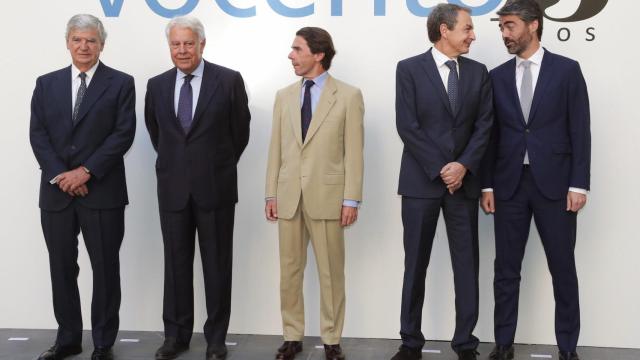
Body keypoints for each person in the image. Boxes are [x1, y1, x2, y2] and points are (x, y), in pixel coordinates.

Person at [481, 1, 591, 360]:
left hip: (557, 188)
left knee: (563, 269)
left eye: (510, 26)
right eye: (502, 28)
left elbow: (580, 130)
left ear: (533, 25)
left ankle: (568, 348)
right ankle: (503, 345)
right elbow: (490, 136)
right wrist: (487, 185)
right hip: (509, 185)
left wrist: (579, 184)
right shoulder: (495, 76)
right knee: (505, 271)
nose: (504, 34)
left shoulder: (567, 71)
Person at [29, 13, 136, 360]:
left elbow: (123, 133)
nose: (84, 46)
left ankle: (103, 342)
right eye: (78, 39)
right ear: (68, 43)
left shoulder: (121, 83)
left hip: (102, 192)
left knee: (105, 268)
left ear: (102, 44)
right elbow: (38, 135)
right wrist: (64, 175)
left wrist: (86, 171)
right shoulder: (46, 84)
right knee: (61, 267)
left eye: (91, 40)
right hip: (57, 194)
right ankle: (68, 339)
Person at [144, 15, 250, 360]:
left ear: (202, 44)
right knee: (175, 266)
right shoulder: (156, 85)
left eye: (189, 43)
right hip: (173, 189)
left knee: (217, 265)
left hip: (215, 188)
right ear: (169, 47)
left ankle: (216, 339)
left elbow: (240, 133)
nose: (182, 50)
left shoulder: (229, 80)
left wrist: (213, 164)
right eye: (176, 44)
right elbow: (157, 133)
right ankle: (176, 336)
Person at [392, 3, 493, 360]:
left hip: (463, 186)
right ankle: (410, 341)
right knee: (415, 264)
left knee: (467, 266)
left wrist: (463, 166)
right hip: (421, 184)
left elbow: (485, 126)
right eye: (467, 28)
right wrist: (442, 168)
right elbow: (408, 126)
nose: (473, 35)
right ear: (444, 30)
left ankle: (465, 342)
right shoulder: (408, 69)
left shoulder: (479, 72)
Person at [264, 27, 364, 360]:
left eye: (297, 49)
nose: (290, 55)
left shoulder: (348, 96)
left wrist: (351, 198)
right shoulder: (284, 96)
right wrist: (270, 194)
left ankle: (332, 338)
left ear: (318, 54)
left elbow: (354, 152)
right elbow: (275, 150)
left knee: (331, 273)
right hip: (289, 197)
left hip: (329, 199)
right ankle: (292, 335)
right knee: (289, 272)